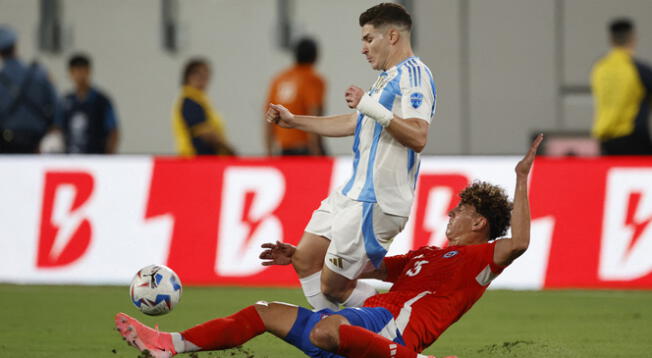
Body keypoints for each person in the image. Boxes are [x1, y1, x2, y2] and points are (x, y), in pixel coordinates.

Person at [113, 135, 543, 358]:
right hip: (370, 325)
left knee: (327, 329)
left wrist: (522, 176)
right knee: (264, 313)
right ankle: (170, 343)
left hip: (395, 331)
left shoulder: (480, 258)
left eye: (459, 210)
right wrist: (299, 258)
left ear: (479, 221)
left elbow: (521, 240)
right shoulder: (424, 256)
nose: (450, 215)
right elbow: (357, 270)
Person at [265, 3, 437, 311]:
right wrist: (294, 121)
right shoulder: (387, 78)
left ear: (393, 36)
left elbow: (418, 135)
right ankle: (329, 345)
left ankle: (408, 318)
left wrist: (370, 106)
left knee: (334, 287)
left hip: (379, 200)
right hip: (353, 192)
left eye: (369, 39)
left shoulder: (415, 76)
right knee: (304, 259)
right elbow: (353, 122)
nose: (364, 48)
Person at [591, 18, 652, 155]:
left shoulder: (599, 68)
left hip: (605, 141)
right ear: (633, 38)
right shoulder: (638, 69)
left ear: (611, 40)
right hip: (634, 139)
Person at [0, 25, 58, 154]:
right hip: (36, 143)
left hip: (5, 143)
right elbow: (56, 105)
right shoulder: (39, 74)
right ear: (16, 47)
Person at [265, 37, 327, 156]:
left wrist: (269, 151)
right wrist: (316, 149)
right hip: (305, 148)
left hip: (283, 149)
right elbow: (313, 113)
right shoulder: (313, 79)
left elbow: (268, 116)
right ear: (315, 56)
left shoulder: (279, 79)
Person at [53, 53, 119, 154]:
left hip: (95, 154)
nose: (79, 75)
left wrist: (109, 154)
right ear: (70, 73)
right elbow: (58, 128)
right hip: (70, 154)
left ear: (89, 71)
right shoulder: (66, 101)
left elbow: (113, 130)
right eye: (76, 71)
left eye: (82, 70)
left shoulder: (101, 101)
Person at [172, 58, 236, 156]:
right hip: (195, 159)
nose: (203, 79)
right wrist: (227, 149)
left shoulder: (201, 101)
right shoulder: (190, 102)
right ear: (188, 76)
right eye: (199, 74)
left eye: (206, 75)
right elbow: (206, 134)